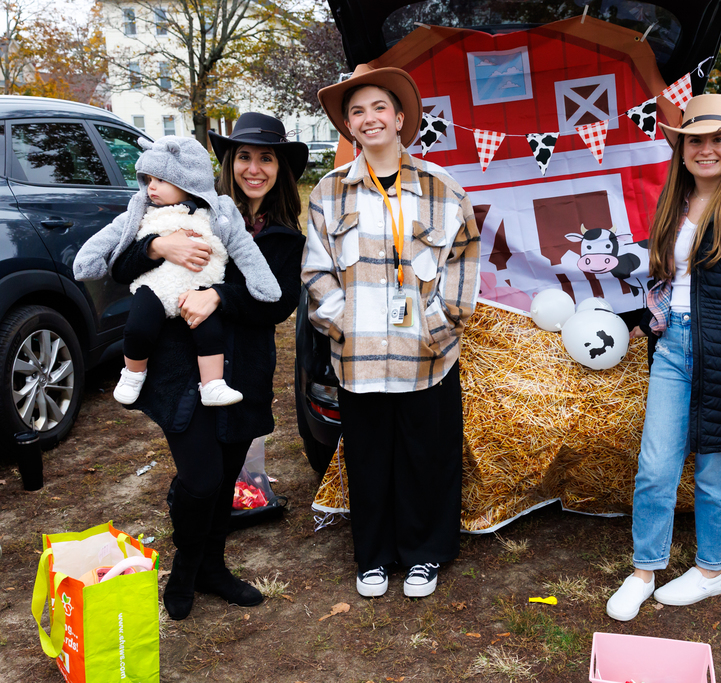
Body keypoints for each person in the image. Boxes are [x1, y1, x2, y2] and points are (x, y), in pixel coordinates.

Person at [107, 114, 308, 620]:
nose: (254, 168)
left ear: (280, 168)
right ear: (226, 163)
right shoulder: (185, 210)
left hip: (242, 371)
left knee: (223, 477)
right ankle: (184, 569)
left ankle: (212, 569)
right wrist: (156, 246)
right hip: (182, 369)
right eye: (243, 156)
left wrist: (218, 295)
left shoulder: (284, 235)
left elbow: (276, 303)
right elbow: (118, 267)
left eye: (266, 158)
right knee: (199, 477)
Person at [606, 94, 721, 621]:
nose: (706, 150)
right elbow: (667, 281)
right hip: (673, 348)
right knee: (655, 466)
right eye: (696, 141)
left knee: (715, 471)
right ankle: (645, 570)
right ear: (682, 148)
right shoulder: (674, 201)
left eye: (718, 139)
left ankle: (712, 569)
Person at [303, 64, 480, 599]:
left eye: (379, 107)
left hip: (425, 354)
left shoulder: (441, 188)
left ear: (401, 118)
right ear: (349, 127)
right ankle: (374, 556)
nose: (369, 118)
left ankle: (423, 554)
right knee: (369, 456)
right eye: (357, 111)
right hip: (358, 357)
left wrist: (438, 325)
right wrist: (342, 323)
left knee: (426, 454)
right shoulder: (329, 193)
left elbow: (463, 260)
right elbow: (316, 270)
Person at [73, 136, 283, 407]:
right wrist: (156, 246)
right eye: (148, 180)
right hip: (156, 289)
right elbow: (113, 240)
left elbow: (244, 249)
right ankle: (133, 374)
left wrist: (257, 284)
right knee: (137, 328)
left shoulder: (217, 213)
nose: (151, 188)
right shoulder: (143, 213)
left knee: (209, 334)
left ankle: (212, 384)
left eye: (160, 180)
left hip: (198, 291)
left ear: (187, 179)